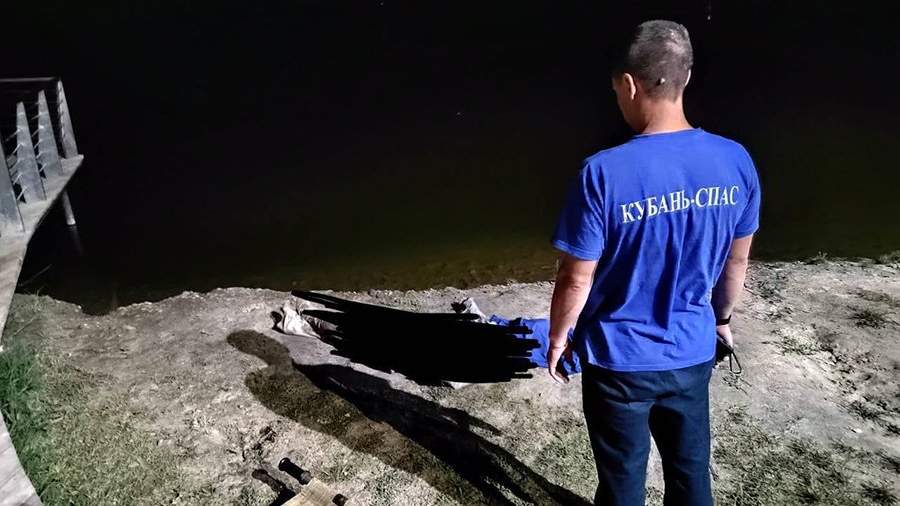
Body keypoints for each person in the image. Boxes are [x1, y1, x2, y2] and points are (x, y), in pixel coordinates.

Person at [545, 20, 760, 506]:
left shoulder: (601, 172)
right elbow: (736, 262)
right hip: (691, 351)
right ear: (686, 77)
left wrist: (558, 339)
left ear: (628, 84)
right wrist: (721, 320)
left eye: (616, 92)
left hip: (618, 361)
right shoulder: (736, 160)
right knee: (690, 473)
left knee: (622, 479)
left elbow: (576, 277)